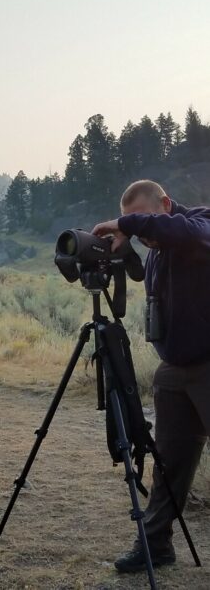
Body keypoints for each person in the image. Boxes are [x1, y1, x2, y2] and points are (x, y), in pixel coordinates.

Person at [92, 179, 210, 573]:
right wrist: (124, 250)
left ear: (165, 204)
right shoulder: (157, 245)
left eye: (143, 218)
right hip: (173, 370)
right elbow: (144, 275)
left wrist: (133, 223)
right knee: (168, 466)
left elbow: (183, 232)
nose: (140, 231)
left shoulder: (198, 223)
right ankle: (155, 545)